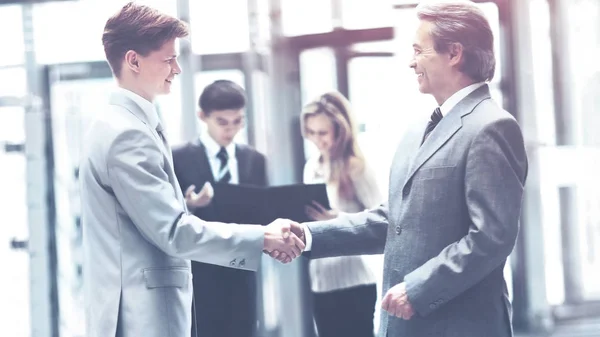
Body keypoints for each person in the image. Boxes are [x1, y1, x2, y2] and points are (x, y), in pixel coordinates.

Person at [272, 1, 528, 336]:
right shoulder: (417, 129)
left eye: (419, 51)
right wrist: (308, 236)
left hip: (459, 325)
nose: (411, 62)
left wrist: (419, 289)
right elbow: (395, 221)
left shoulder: (492, 127)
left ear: (454, 53)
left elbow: (491, 239)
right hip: (404, 325)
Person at [80, 3, 303, 337]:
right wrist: (263, 236)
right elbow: (173, 232)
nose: (178, 69)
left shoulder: (124, 124)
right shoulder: (127, 134)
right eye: (169, 59)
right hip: (143, 317)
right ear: (133, 60)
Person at [172, 80, 267, 337]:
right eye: (222, 122)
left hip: (243, 272)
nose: (231, 130)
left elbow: (263, 210)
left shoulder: (255, 160)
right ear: (203, 116)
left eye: (238, 121)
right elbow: (165, 219)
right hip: (199, 274)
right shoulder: (177, 158)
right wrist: (188, 205)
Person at [300, 91, 382, 337]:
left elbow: (382, 220)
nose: (317, 140)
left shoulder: (357, 167)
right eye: (311, 132)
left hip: (355, 283)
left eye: (322, 133)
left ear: (339, 129)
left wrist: (337, 219)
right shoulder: (311, 166)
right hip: (320, 282)